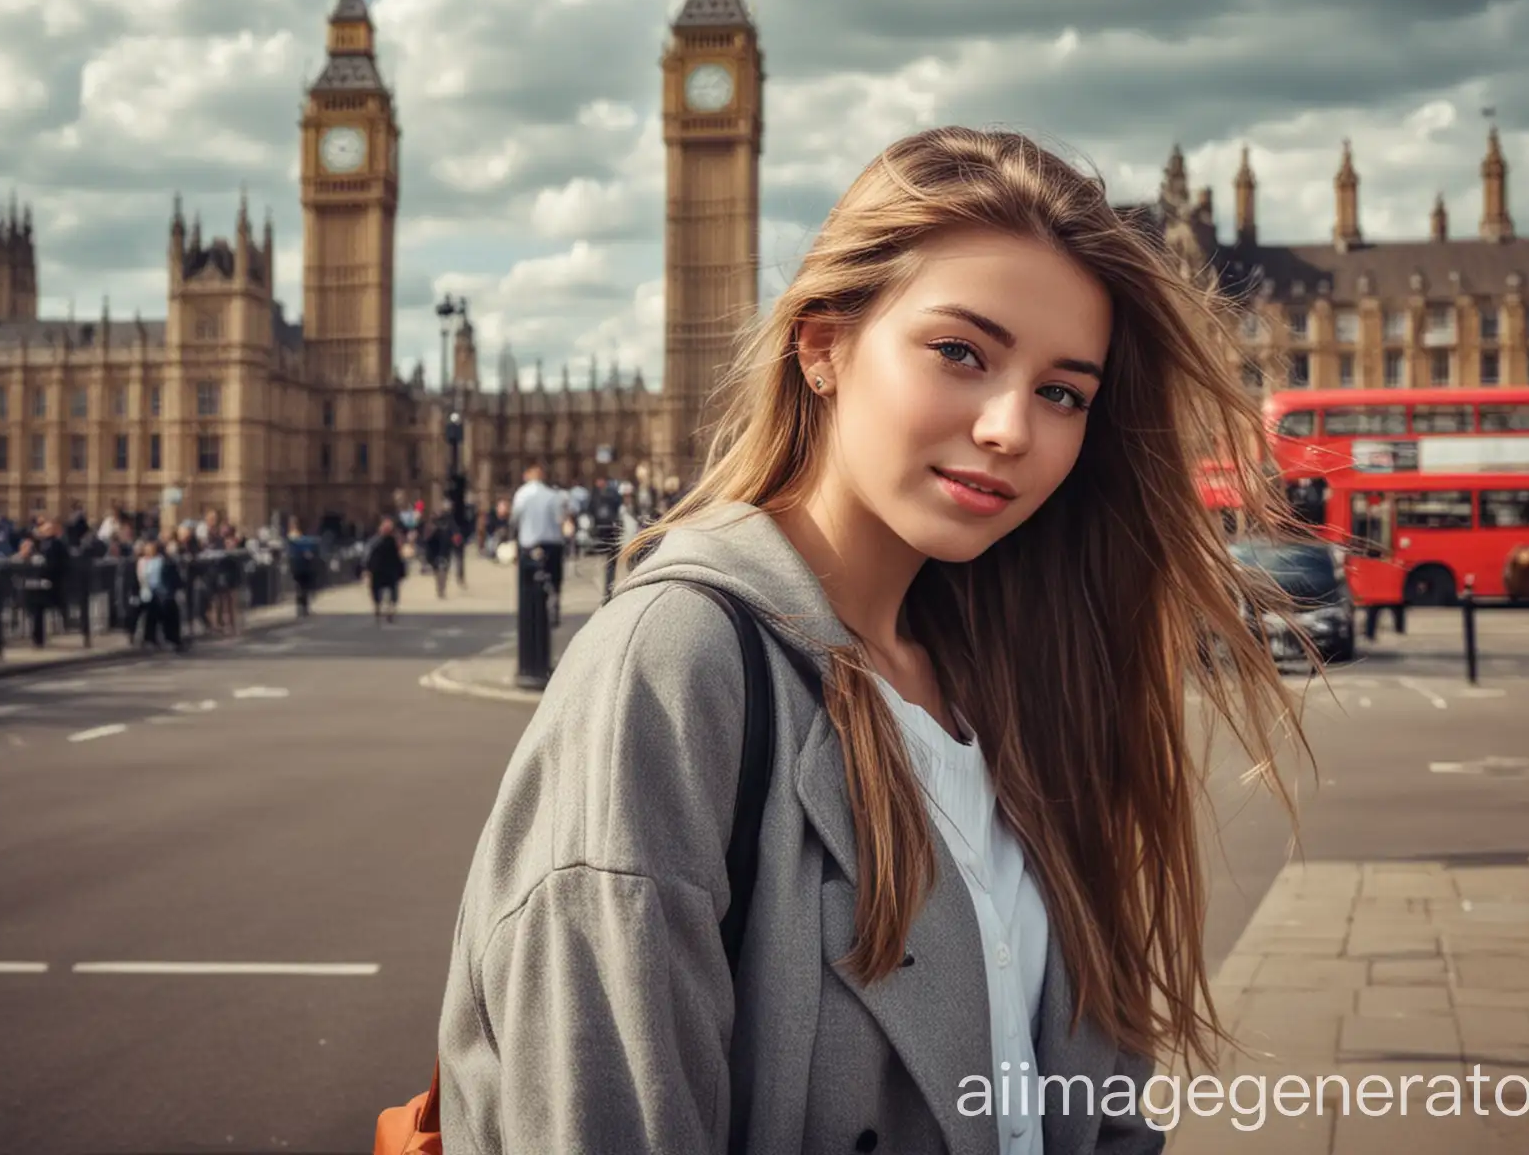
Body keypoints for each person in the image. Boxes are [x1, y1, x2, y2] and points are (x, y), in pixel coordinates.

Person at [432, 128, 1308, 1152]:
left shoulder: (1009, 674)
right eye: (960, 353)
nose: (1010, 429)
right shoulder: (673, 669)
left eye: (1063, 391)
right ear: (822, 346)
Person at [509, 461, 568, 625]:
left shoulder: (521, 494)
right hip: (552, 543)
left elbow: (514, 518)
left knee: (526, 582)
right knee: (555, 578)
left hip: (528, 544)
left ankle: (527, 612)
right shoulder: (552, 495)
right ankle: (554, 601)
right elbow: (560, 519)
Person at [365, 517, 406, 624]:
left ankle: (387, 607)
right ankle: (381, 607)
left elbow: (398, 557)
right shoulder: (377, 541)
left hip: (385, 570)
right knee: (381, 589)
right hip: (381, 570)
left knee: (388, 589)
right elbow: (369, 556)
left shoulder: (388, 542)